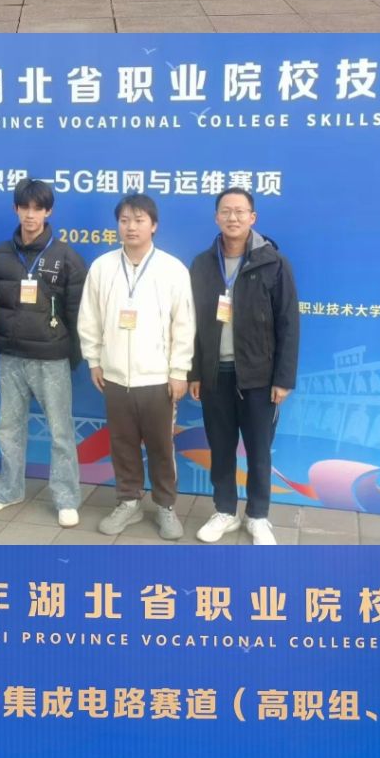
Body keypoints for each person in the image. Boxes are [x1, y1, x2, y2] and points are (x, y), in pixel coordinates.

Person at [77, 193, 195, 538]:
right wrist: (94, 360)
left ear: (153, 225)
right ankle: (128, 502)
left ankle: (166, 506)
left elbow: (184, 324)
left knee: (161, 447)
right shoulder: (102, 267)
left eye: (139, 220)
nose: (131, 227)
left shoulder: (172, 269)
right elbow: (90, 318)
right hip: (115, 378)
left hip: (158, 379)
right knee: (122, 444)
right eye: (125, 220)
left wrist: (179, 371)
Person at [192, 191, 299, 547]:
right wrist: (195, 372)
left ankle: (258, 515)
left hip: (259, 377)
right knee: (221, 448)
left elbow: (288, 324)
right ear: (216, 217)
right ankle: (225, 511)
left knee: (258, 450)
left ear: (253, 217)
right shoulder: (203, 264)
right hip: (215, 375)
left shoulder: (274, 264)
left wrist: (283, 378)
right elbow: (192, 324)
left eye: (240, 211)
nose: (233, 218)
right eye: (226, 211)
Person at [0, 179, 84, 527]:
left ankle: (66, 498)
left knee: (60, 431)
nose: (30, 215)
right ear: (15, 209)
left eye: (38, 208)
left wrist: (70, 355)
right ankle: (8, 490)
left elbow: (77, 313)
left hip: (51, 358)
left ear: (48, 211)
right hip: (10, 356)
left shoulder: (66, 257)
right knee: (8, 428)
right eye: (24, 207)